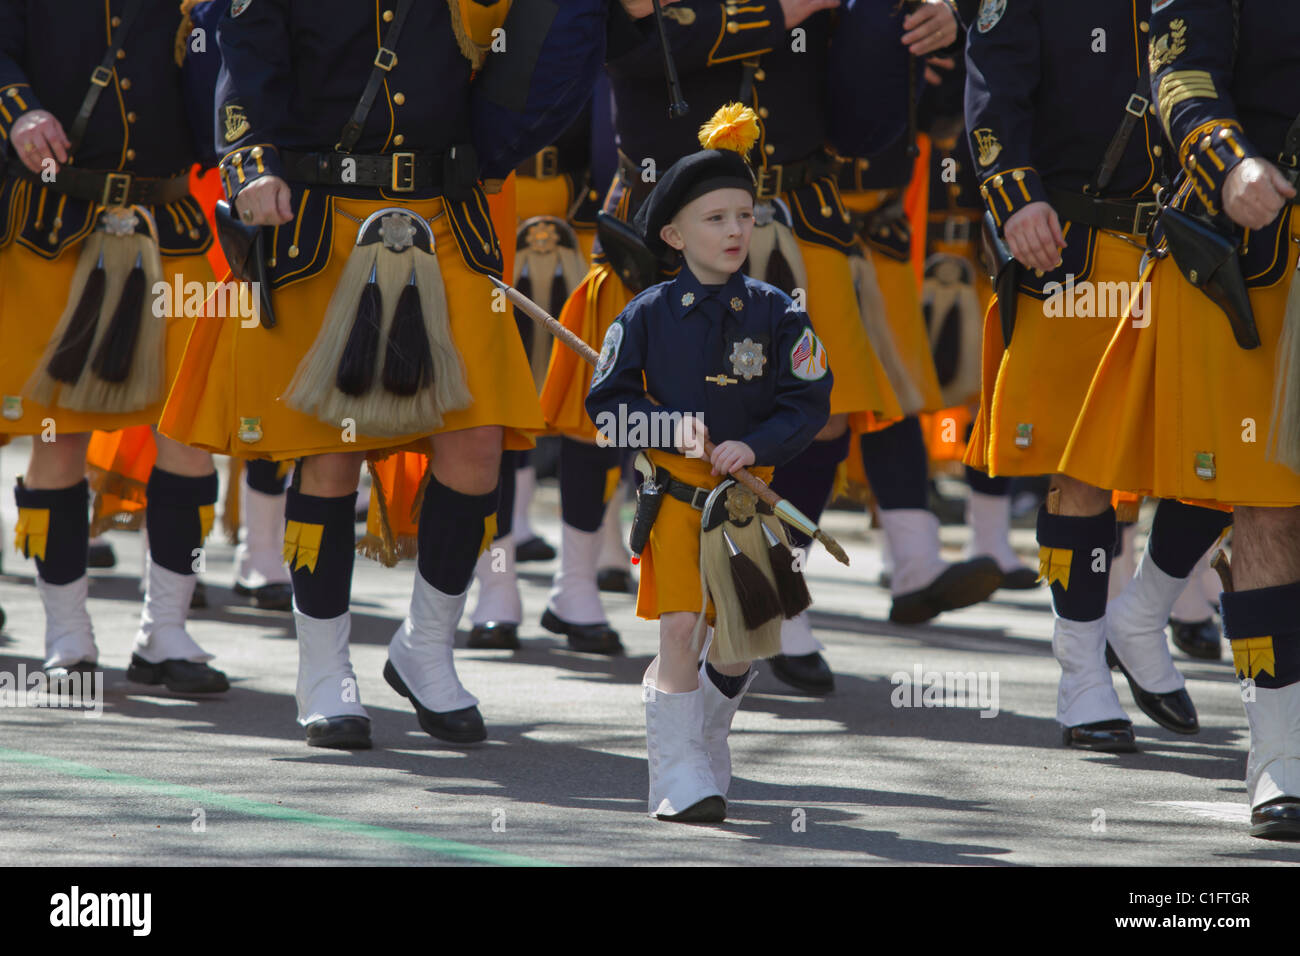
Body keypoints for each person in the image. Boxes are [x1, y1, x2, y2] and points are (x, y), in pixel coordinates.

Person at [159, 0, 601, 749]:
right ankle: (324, 671)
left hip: (443, 219)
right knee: (332, 456)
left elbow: (525, 51)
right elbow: (245, 60)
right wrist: (251, 163)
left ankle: (426, 648)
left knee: (477, 448)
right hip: (322, 218)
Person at [966, 0, 1234, 752]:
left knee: (1221, 462)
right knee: (1077, 467)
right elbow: (995, 92)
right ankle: (1080, 672)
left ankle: (1142, 611)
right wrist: (1014, 199)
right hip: (1077, 243)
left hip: (1198, 249)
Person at [1060, 0, 1300, 837]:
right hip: (1261, 251)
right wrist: (1229, 162)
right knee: (1268, 501)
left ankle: (1145, 611)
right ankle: (1279, 759)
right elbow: (1182, 71)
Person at [586, 106, 832, 822]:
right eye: (714, 218)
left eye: (743, 217)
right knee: (680, 629)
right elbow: (607, 411)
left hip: (751, 504)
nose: (733, 232)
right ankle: (677, 773)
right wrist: (669, 427)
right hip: (677, 500)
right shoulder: (645, 314)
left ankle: (706, 737)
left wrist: (756, 447)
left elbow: (808, 401)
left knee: (743, 644)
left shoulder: (778, 312)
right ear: (673, 234)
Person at [0, 0, 228, 694]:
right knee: (57, 439)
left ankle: (167, 631)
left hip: (170, 224)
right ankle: (67, 633)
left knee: (187, 434)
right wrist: (21, 111)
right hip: (54, 231)